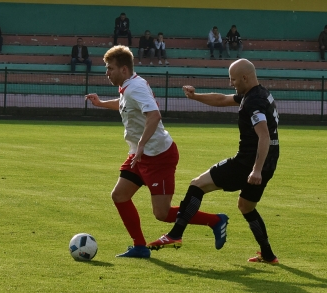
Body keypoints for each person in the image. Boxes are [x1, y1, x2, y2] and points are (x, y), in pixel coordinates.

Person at [85, 45, 229, 258]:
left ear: (124, 70)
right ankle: (140, 247)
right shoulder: (129, 85)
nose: (107, 73)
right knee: (119, 195)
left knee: (161, 213)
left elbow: (154, 115)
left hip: (158, 156)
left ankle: (215, 220)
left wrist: (142, 143)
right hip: (140, 155)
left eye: (110, 68)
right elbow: (126, 105)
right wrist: (102, 104)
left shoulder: (135, 87)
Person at [148, 59, 280, 264]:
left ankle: (175, 234)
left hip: (247, 163)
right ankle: (269, 255)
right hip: (269, 162)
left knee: (197, 185)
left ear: (245, 77)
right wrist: (195, 96)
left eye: (233, 79)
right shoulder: (260, 93)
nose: (231, 83)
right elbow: (222, 99)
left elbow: (263, 136)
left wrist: (255, 170)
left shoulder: (253, 102)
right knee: (246, 206)